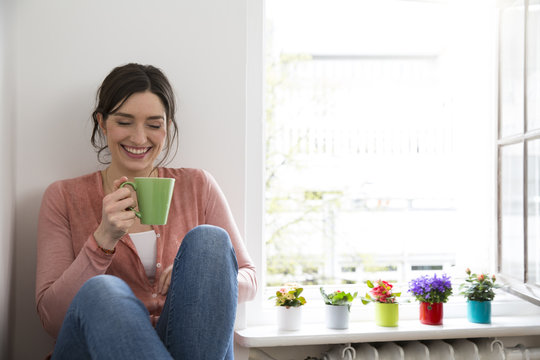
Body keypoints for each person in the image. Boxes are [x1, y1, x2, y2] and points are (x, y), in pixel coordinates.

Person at [35, 63, 257, 359]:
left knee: (210, 241)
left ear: (167, 126)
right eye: (124, 122)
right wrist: (102, 241)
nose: (140, 139)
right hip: (95, 348)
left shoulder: (198, 185)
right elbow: (52, 320)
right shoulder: (63, 197)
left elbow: (249, 278)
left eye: (154, 125)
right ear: (102, 122)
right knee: (102, 291)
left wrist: (191, 282)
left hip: (188, 346)